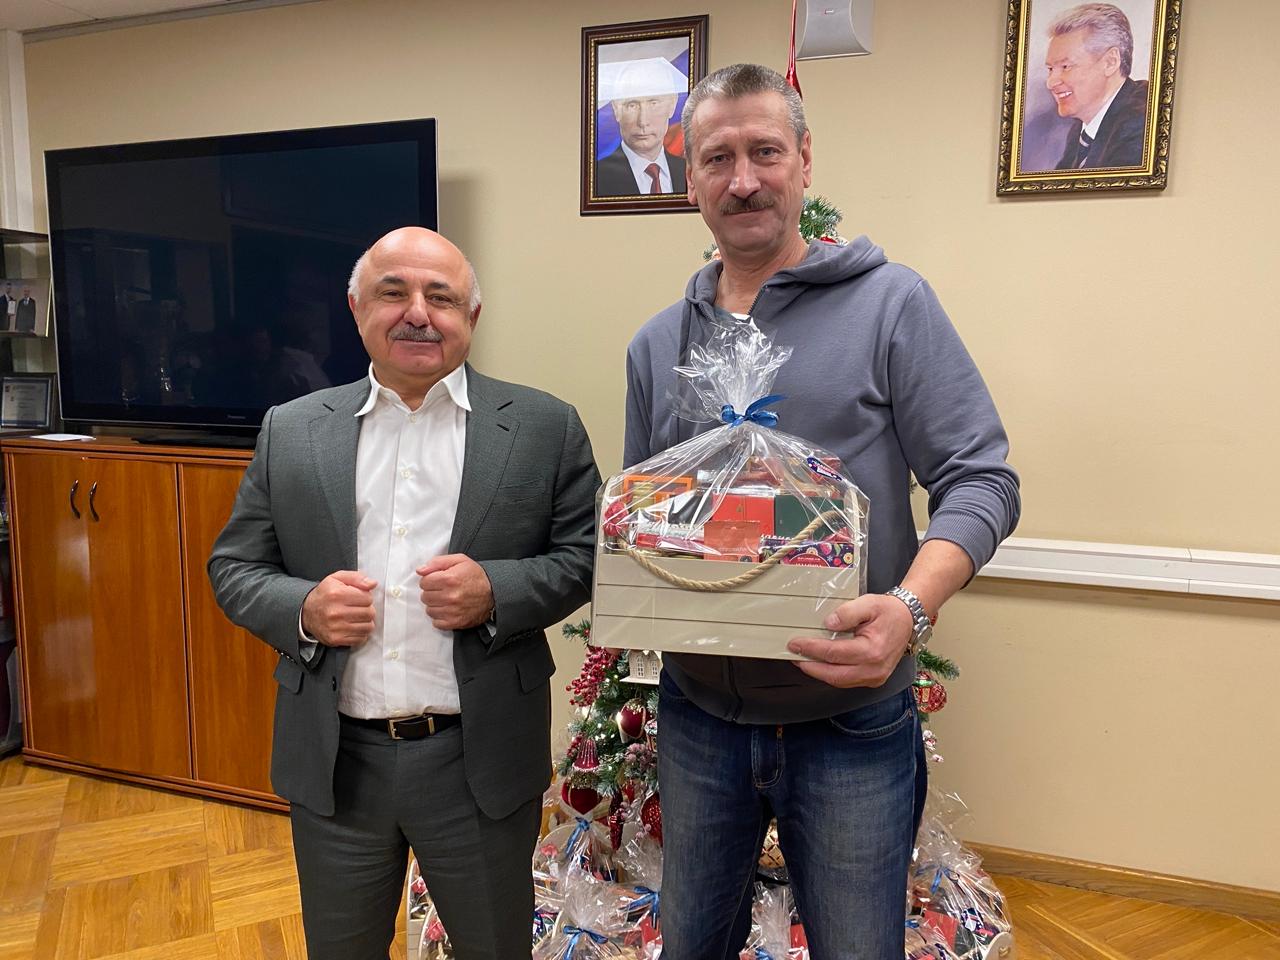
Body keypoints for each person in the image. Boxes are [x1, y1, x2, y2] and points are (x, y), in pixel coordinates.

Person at [623, 64, 1020, 959]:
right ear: (690, 179)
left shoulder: (891, 305)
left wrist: (910, 608)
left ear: (805, 161)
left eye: (765, 152)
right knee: (692, 945)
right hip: (697, 719)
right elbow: (643, 515)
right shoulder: (657, 344)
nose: (744, 180)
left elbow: (982, 480)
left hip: (852, 720)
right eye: (718, 158)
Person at [208, 226, 600, 960]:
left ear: (471, 317)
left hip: (479, 763)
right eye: (394, 292)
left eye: (441, 297)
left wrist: (497, 589)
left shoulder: (544, 427)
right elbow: (234, 568)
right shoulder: (292, 429)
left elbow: (586, 558)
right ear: (357, 309)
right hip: (336, 765)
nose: (418, 313)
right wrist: (303, 609)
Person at [1046, 3, 1149, 169]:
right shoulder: (1079, 131)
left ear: (1110, 62)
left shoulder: (1142, 120)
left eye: (1066, 66)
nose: (1051, 83)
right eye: (1050, 69)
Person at [596, 57, 688, 196]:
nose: (643, 121)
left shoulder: (689, 172)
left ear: (672, 105)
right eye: (632, 105)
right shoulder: (598, 178)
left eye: (654, 103)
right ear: (616, 109)